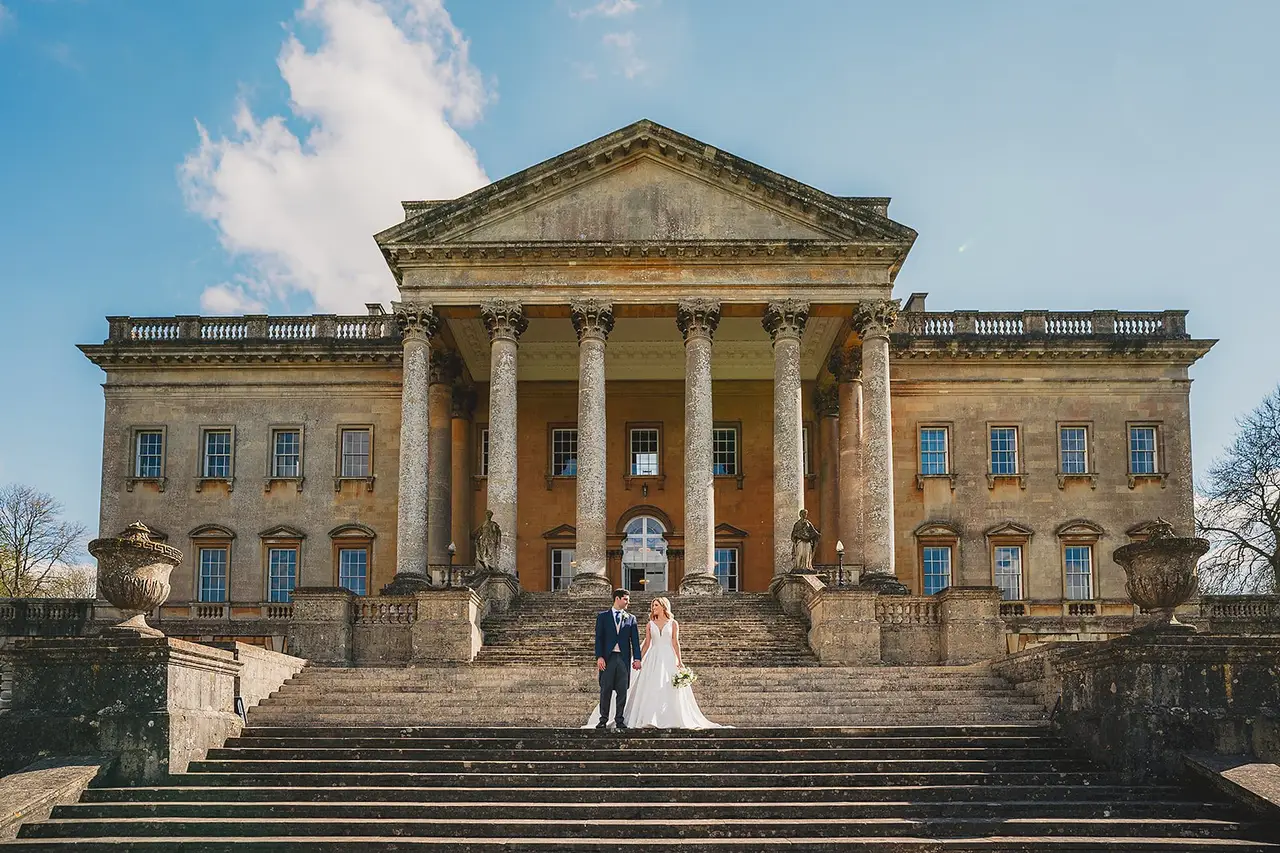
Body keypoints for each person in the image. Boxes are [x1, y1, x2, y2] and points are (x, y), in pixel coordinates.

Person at [585, 596, 724, 730]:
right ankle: (649, 717)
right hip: (654, 656)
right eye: (653, 605)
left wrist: (679, 662)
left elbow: (676, 643)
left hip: (668, 657)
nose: (653, 608)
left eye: (656, 605)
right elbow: (646, 644)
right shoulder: (650, 624)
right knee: (651, 686)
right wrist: (637, 659)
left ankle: (671, 717)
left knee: (669, 687)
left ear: (664, 606)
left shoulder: (673, 623)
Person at [592, 588, 642, 730]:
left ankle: (619, 719)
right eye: (626, 599)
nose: (628, 602)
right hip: (608, 658)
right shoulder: (603, 617)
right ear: (617, 599)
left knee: (622, 690)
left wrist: (637, 658)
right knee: (605, 689)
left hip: (623, 659)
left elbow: (635, 641)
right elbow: (599, 638)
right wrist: (599, 656)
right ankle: (603, 720)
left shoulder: (631, 618)